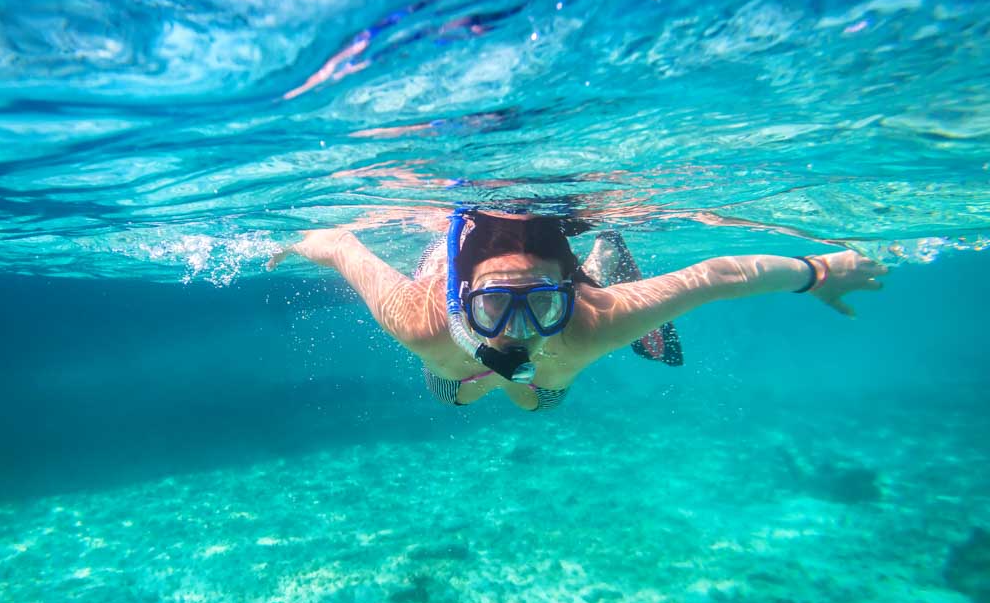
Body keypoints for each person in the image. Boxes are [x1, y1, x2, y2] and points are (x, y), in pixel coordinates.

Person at [267, 210, 888, 412]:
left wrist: (820, 273)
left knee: (537, 400)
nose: (516, 330)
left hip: (559, 354)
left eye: (541, 303)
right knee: (454, 393)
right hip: (468, 362)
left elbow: (718, 275)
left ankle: (602, 256)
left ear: (572, 290)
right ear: (461, 300)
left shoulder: (597, 318)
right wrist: (295, 241)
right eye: (493, 305)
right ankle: (494, 374)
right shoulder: (423, 320)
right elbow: (341, 244)